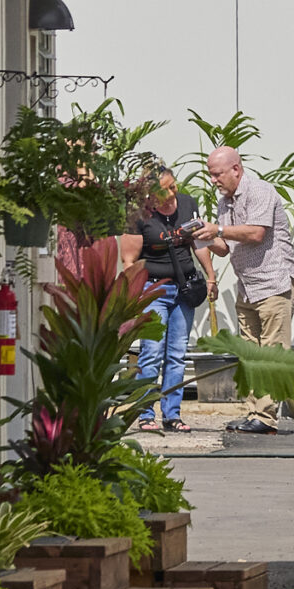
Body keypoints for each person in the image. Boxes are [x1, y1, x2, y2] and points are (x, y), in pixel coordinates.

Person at [199, 146, 294, 435]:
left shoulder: (259, 190)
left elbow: (256, 233)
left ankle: (266, 418)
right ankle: (253, 412)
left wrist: (216, 229)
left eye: (217, 174)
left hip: (273, 283)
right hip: (248, 287)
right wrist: (199, 238)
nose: (213, 180)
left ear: (236, 170)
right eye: (210, 175)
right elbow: (224, 247)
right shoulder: (224, 203)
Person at [119, 166, 214, 434]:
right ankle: (145, 413)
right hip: (153, 289)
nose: (173, 194)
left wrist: (211, 275)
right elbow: (129, 259)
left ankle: (172, 415)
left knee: (177, 355)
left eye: (174, 186)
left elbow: (199, 244)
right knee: (151, 353)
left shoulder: (187, 203)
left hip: (184, 287)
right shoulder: (139, 214)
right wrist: (130, 293)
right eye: (166, 190)